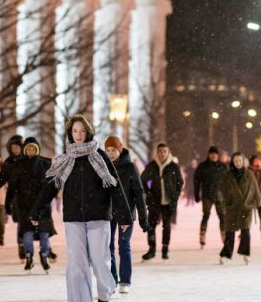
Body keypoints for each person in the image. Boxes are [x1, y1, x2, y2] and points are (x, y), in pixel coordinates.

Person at [30, 114, 133, 302]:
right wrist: (36, 210)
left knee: (100, 260)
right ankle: (80, 299)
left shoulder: (100, 156)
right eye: (75, 131)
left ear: (88, 132)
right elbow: (51, 186)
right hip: (73, 217)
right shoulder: (66, 159)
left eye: (82, 131)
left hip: (99, 216)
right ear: (70, 133)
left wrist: (125, 216)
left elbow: (114, 185)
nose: (79, 134)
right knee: (77, 262)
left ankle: (104, 294)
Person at [105, 136, 148, 295]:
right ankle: (112, 279)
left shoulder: (130, 167)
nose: (110, 153)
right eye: (108, 150)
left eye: (113, 150)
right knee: (108, 247)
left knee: (124, 246)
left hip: (127, 214)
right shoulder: (104, 167)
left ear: (120, 149)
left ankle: (125, 280)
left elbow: (137, 192)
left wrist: (143, 217)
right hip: (108, 214)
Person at [8, 137, 55, 273]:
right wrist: (10, 202)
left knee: (44, 235)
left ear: (37, 149)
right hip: (25, 206)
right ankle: (29, 257)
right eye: (28, 148)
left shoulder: (45, 164)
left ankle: (44, 256)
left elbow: (51, 184)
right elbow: (13, 186)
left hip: (42, 206)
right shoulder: (19, 165)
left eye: (33, 149)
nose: (30, 151)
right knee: (27, 235)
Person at [0, 135, 27, 260]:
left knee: (37, 224)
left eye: (17, 147)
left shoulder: (30, 159)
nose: (15, 149)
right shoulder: (8, 163)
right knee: (22, 223)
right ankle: (22, 247)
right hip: (17, 199)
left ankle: (45, 247)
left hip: (32, 197)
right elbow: (1, 180)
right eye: (13, 147)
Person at [141, 142, 183, 261]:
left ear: (168, 152)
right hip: (155, 202)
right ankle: (152, 249)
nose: (162, 154)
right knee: (151, 226)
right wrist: (149, 193)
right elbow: (143, 180)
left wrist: (175, 195)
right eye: (160, 151)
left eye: (165, 151)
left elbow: (180, 182)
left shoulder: (174, 166)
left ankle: (165, 249)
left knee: (167, 226)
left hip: (169, 202)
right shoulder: (152, 166)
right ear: (157, 152)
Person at [219, 152, 261, 264]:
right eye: (236, 160)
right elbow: (222, 191)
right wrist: (225, 203)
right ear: (232, 161)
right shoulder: (228, 175)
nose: (238, 163)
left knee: (245, 231)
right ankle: (226, 254)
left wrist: (257, 201)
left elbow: (255, 188)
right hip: (232, 207)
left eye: (240, 160)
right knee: (230, 232)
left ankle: (245, 253)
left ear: (243, 162)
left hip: (245, 207)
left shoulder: (249, 174)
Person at [193, 146, 228, 248]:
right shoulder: (203, 166)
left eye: (215, 154)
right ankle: (202, 234)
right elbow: (197, 181)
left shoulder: (222, 166)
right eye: (212, 153)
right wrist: (196, 194)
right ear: (209, 154)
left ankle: (224, 235)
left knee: (222, 216)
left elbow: (228, 182)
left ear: (218, 155)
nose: (213, 155)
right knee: (206, 215)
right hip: (207, 195)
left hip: (220, 196)